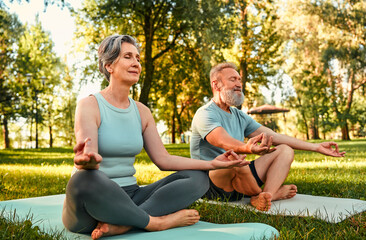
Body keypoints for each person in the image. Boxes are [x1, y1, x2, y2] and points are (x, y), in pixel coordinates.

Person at [62, 36, 248, 240]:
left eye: (138, 59)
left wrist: (212, 164)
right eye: (127, 57)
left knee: (198, 177)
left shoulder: (142, 111)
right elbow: (88, 153)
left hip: (133, 197)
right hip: (92, 204)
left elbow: (164, 160)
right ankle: (156, 222)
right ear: (109, 66)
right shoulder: (89, 105)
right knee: (83, 179)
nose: (136, 63)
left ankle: (124, 224)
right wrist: (86, 164)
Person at [190, 62, 346, 211]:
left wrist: (316, 147)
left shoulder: (239, 115)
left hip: (241, 175)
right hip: (211, 183)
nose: (239, 84)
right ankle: (265, 194)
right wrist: (247, 148)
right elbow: (222, 141)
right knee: (233, 158)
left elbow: (274, 136)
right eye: (233, 79)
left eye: (239, 80)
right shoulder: (205, 114)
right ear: (216, 85)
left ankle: (265, 196)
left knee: (285, 150)